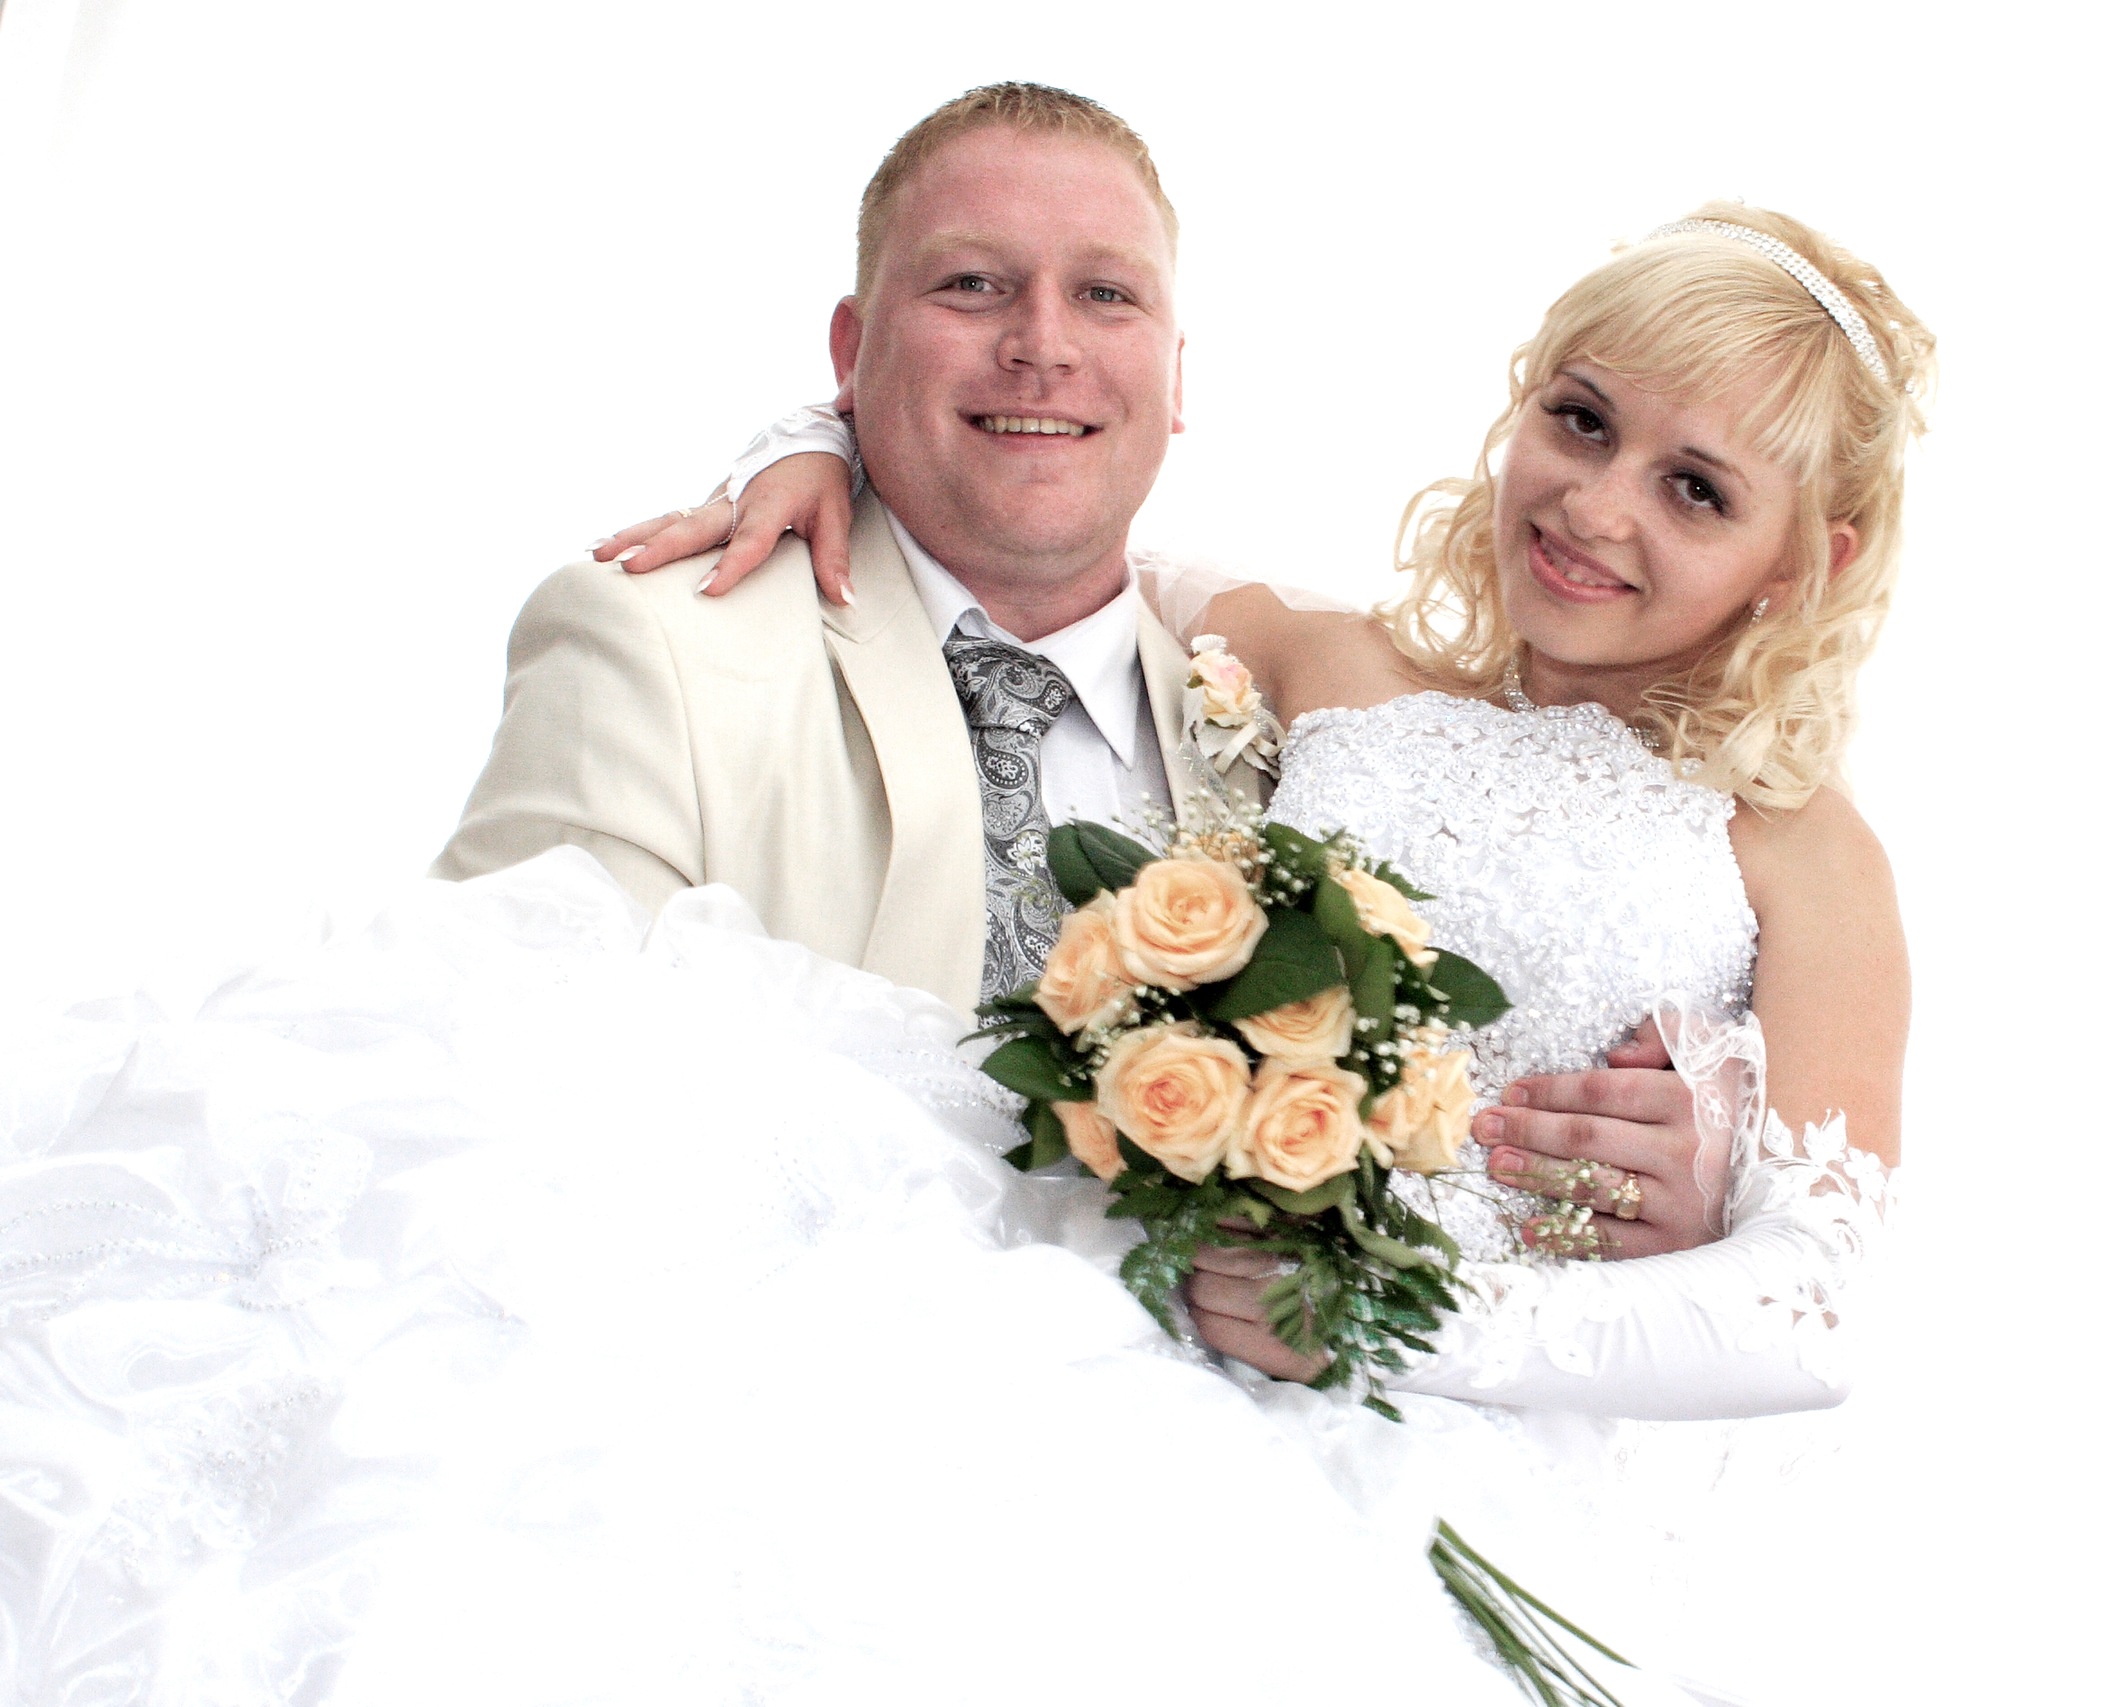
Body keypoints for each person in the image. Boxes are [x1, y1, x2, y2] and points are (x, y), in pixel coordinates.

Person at [0, 89, 1925, 1704]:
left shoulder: (1799, 850)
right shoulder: (1326, 663)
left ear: (1806, 562)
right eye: (1580, 423)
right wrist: (806, 443)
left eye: (1697, 490)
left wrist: (1448, 1298)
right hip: (1079, 1346)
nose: (1598, 506)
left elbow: (1819, 1303)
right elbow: (1053, 505)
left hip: (1433, 1433)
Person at [432, 79, 1718, 1256]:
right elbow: (488, 1111)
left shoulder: (1311, 732)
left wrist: (1674, 1167)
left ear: (1174, 374)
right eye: (971, 285)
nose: (1043, 345)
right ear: (848, 352)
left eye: (1106, 295)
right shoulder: (653, 650)